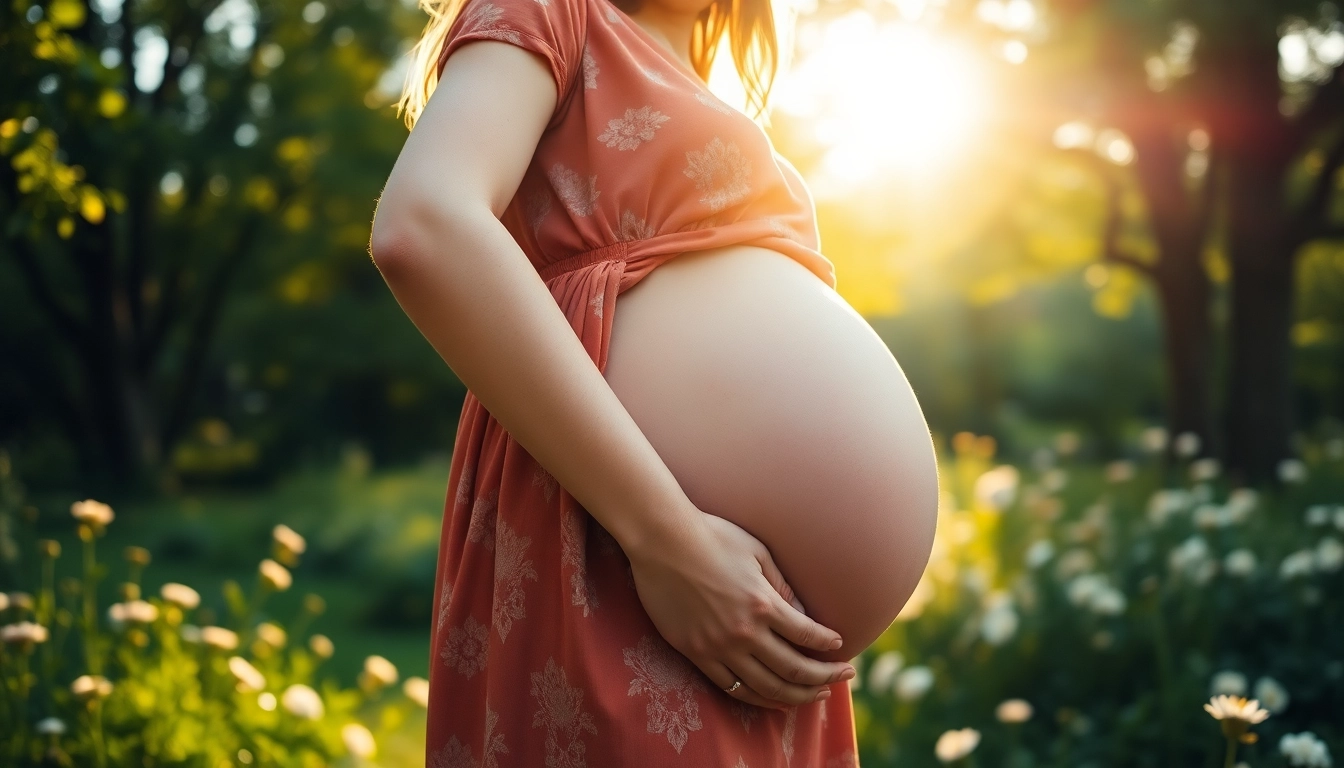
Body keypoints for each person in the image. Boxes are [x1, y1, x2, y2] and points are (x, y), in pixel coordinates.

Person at [368, 0, 864, 761]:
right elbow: (425, 222)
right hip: (624, 550)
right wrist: (670, 543)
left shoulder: (704, 82)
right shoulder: (555, 11)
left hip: (750, 621)